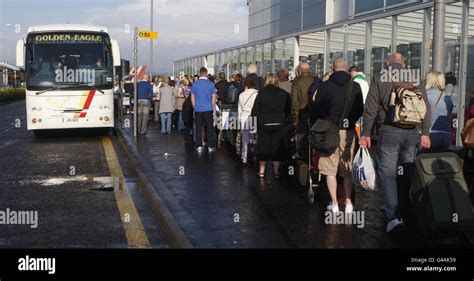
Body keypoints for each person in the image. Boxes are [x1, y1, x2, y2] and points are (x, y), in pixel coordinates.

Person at [359, 52, 431, 234]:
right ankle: (405, 208)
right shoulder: (414, 78)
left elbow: (371, 109)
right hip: (412, 132)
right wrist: (426, 133)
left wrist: (366, 133)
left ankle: (394, 217)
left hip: (389, 130)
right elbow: (426, 108)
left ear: (387, 63)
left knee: (388, 173)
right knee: (406, 169)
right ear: (404, 64)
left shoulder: (379, 77)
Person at [312, 58, 364, 214]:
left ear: (333, 69)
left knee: (330, 169)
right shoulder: (355, 86)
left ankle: (334, 204)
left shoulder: (324, 86)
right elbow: (360, 109)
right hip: (347, 132)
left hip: (329, 132)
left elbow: (317, 109)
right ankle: (348, 203)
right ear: (347, 69)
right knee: (346, 169)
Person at [251, 74, 291, 179]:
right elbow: (288, 111)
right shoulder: (284, 94)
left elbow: (254, 111)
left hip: (264, 123)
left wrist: (255, 122)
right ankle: (276, 172)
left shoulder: (261, 93)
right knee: (276, 147)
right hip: (279, 123)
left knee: (263, 147)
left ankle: (262, 171)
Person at [424, 71, 453, 152]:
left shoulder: (424, 96)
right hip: (445, 135)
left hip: (428, 134)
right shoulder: (447, 98)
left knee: (422, 161)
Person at [191, 67, 218, 152]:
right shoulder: (210, 84)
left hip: (198, 109)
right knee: (210, 127)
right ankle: (210, 145)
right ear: (206, 73)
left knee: (198, 128)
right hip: (208, 108)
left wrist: (194, 106)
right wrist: (212, 105)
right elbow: (214, 97)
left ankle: (198, 145)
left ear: (199, 73)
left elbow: (192, 97)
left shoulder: (195, 84)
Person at [238, 79, 259, 166]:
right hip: (254, 116)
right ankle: (255, 155)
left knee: (245, 139)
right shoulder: (257, 94)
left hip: (244, 116)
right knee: (255, 137)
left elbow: (239, 109)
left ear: (245, 86)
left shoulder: (241, 95)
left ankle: (244, 158)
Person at [291, 62, 314, 128]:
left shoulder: (297, 83)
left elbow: (294, 101)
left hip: (302, 114)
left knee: (301, 135)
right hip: (313, 113)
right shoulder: (315, 80)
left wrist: (295, 118)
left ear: (299, 70)